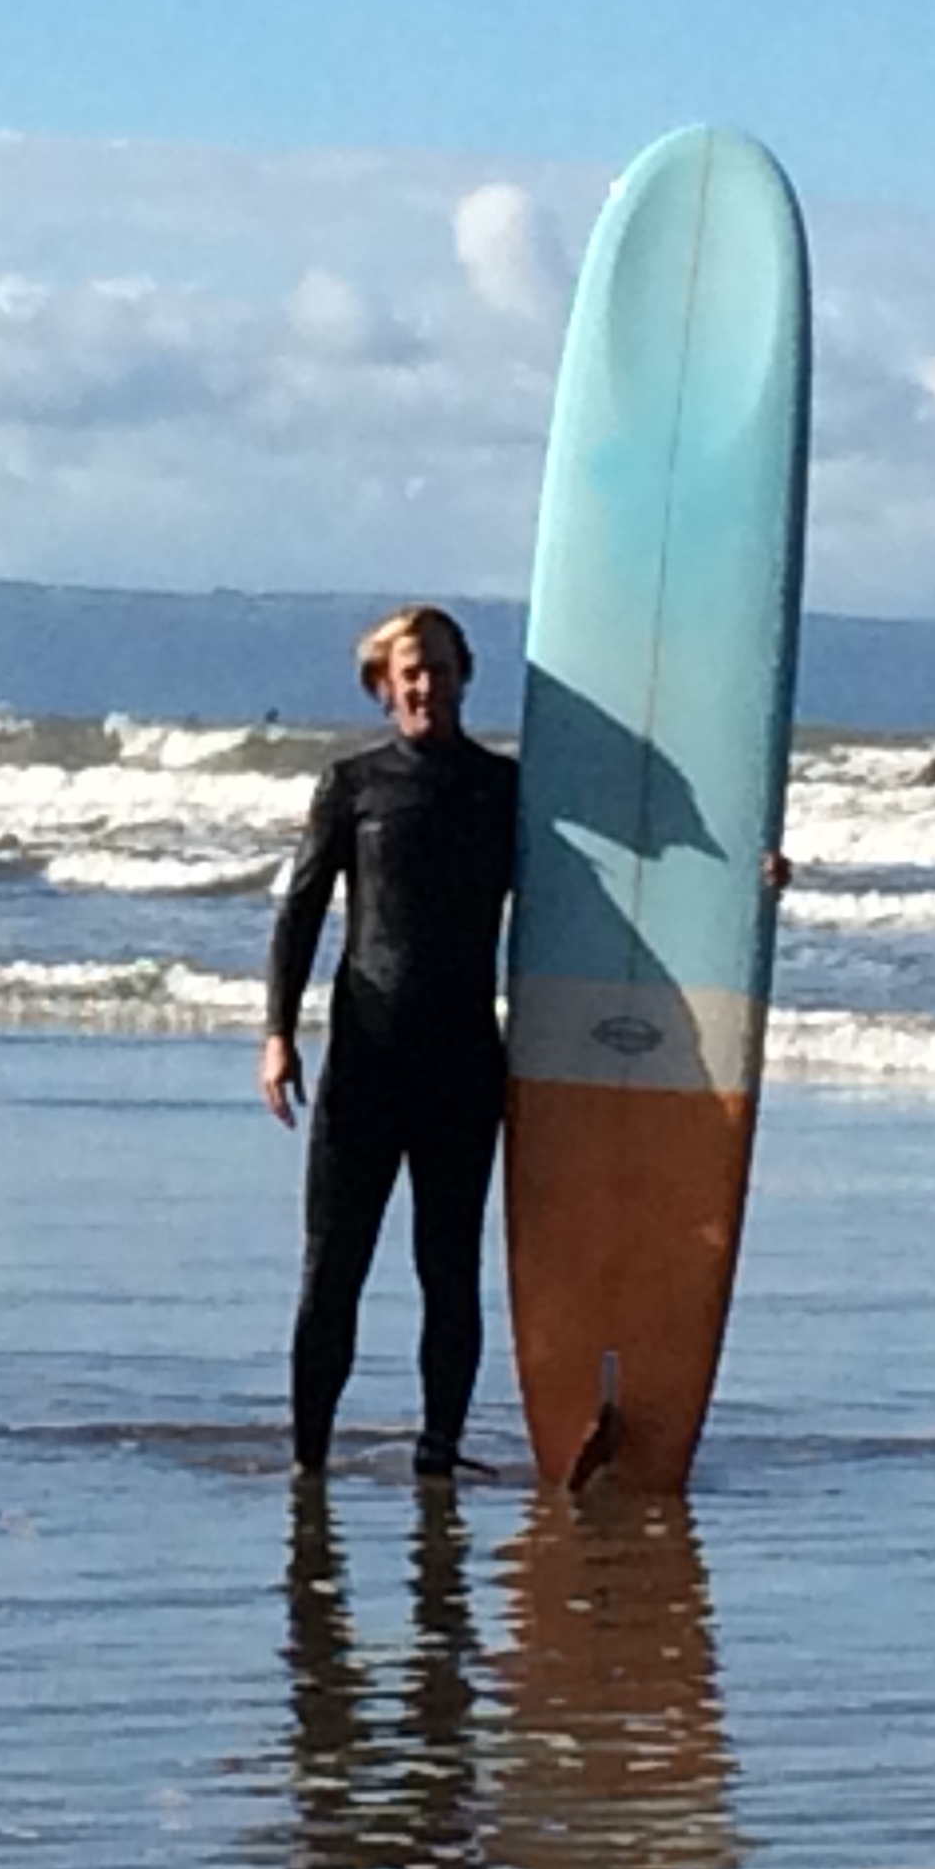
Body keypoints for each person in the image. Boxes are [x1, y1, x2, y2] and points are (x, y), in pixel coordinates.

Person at [261, 603, 517, 1481]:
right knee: (334, 1267)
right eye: (409, 670)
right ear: (382, 685)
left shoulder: (502, 789)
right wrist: (277, 1035)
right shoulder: (353, 785)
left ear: (463, 676)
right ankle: (309, 1462)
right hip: (365, 1059)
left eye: (440, 668)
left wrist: (755, 878)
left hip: (464, 1065)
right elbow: (299, 911)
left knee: (448, 1270)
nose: (425, 684)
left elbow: (600, 900)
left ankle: (439, 1452)